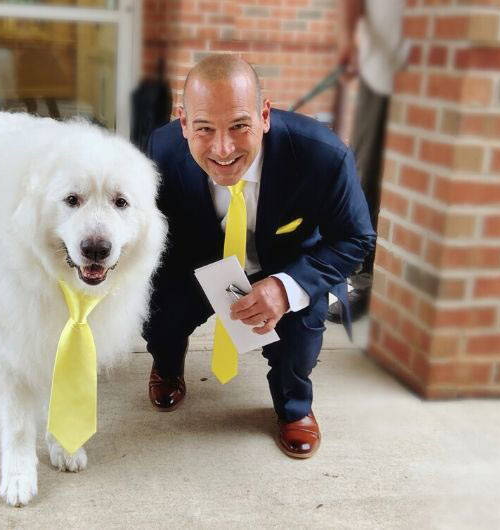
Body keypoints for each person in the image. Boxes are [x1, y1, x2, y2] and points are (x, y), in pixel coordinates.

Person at [143, 54, 375, 458]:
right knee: (154, 310)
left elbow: (355, 238)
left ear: (264, 115)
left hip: (285, 267)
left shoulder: (324, 156)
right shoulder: (158, 150)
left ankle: (294, 407)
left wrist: (288, 288)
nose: (222, 148)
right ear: (183, 123)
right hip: (199, 263)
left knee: (299, 345)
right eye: (203, 129)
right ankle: (166, 361)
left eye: (239, 126)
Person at [328, 0, 409, 323]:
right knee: (367, 177)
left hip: (445, 68)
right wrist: (347, 38)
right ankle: (364, 284)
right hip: (384, 70)